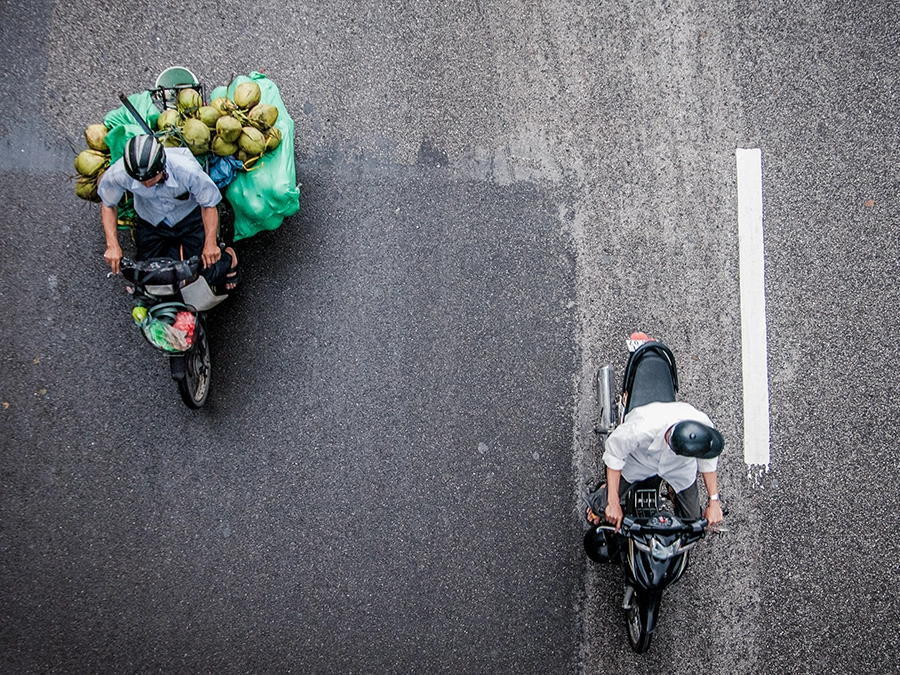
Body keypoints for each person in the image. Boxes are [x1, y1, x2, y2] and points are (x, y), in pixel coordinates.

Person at [97, 134, 240, 291]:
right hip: (151, 220)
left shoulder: (186, 170)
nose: (146, 185)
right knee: (147, 276)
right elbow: (109, 205)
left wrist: (210, 244)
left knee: (205, 273)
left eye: (151, 178)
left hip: (190, 218)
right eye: (140, 181)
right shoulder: (119, 173)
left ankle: (230, 257)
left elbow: (208, 205)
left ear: (162, 166)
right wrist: (112, 245)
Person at [585, 400, 725, 534]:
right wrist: (613, 502)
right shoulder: (639, 430)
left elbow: (708, 462)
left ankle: (673, 491)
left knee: (694, 523)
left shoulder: (703, 427)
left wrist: (714, 501)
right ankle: (603, 489)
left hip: (679, 468)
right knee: (603, 507)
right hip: (639, 461)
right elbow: (615, 455)